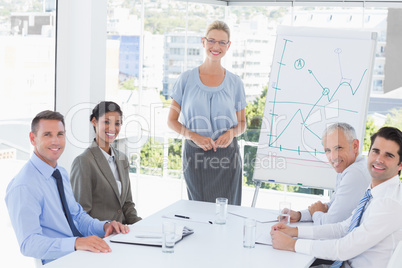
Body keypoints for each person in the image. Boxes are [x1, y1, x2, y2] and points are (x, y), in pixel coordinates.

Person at [5, 110, 129, 265]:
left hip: (81, 256)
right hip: (61, 262)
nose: (55, 141)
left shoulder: (60, 173)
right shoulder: (24, 186)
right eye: (47, 134)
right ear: (32, 138)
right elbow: (28, 243)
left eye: (60, 134)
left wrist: (104, 226)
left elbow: (77, 216)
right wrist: (76, 243)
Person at [270, 126, 402, 268]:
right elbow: (343, 228)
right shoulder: (374, 191)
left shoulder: (389, 202)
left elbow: (345, 248)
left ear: (400, 165)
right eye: (375, 151)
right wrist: (294, 231)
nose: (378, 159)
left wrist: (292, 244)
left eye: (389, 155)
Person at [167, 20, 247, 205]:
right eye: (211, 41)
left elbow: (242, 123)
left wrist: (231, 133)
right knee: (198, 212)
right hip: (195, 156)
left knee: (228, 214)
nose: (216, 46)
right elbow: (171, 121)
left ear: (228, 46)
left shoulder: (235, 83)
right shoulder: (186, 79)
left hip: (228, 158)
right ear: (203, 42)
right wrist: (193, 136)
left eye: (221, 42)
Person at [70, 101, 141, 224]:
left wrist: (143, 227)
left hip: (123, 234)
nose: (113, 128)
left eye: (117, 123)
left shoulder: (122, 159)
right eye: (107, 122)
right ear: (94, 121)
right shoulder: (83, 162)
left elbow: (127, 205)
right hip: (99, 237)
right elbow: (81, 215)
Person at [289, 123, 370, 225]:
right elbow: (332, 207)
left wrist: (316, 213)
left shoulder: (355, 173)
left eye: (338, 148)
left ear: (355, 146)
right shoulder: (346, 168)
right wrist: (300, 215)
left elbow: (330, 224)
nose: (333, 157)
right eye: (328, 150)